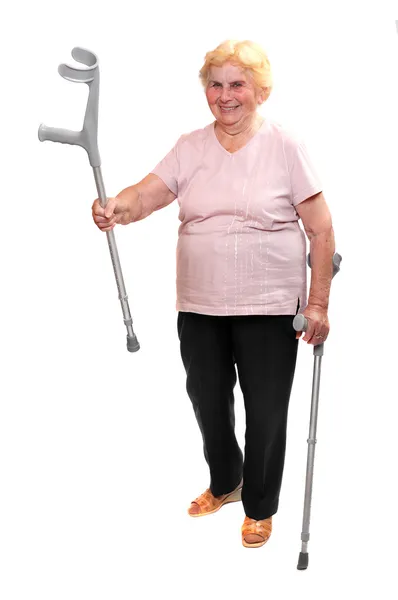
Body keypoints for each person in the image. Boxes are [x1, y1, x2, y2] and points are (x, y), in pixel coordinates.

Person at [92, 39, 335, 549]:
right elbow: (148, 193)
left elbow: (321, 227)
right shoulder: (190, 146)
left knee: (266, 409)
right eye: (216, 85)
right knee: (206, 398)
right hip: (199, 301)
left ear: (259, 91)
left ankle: (261, 505)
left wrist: (317, 304)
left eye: (237, 84)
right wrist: (118, 206)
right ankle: (226, 481)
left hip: (269, 305)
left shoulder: (285, 145)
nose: (225, 95)